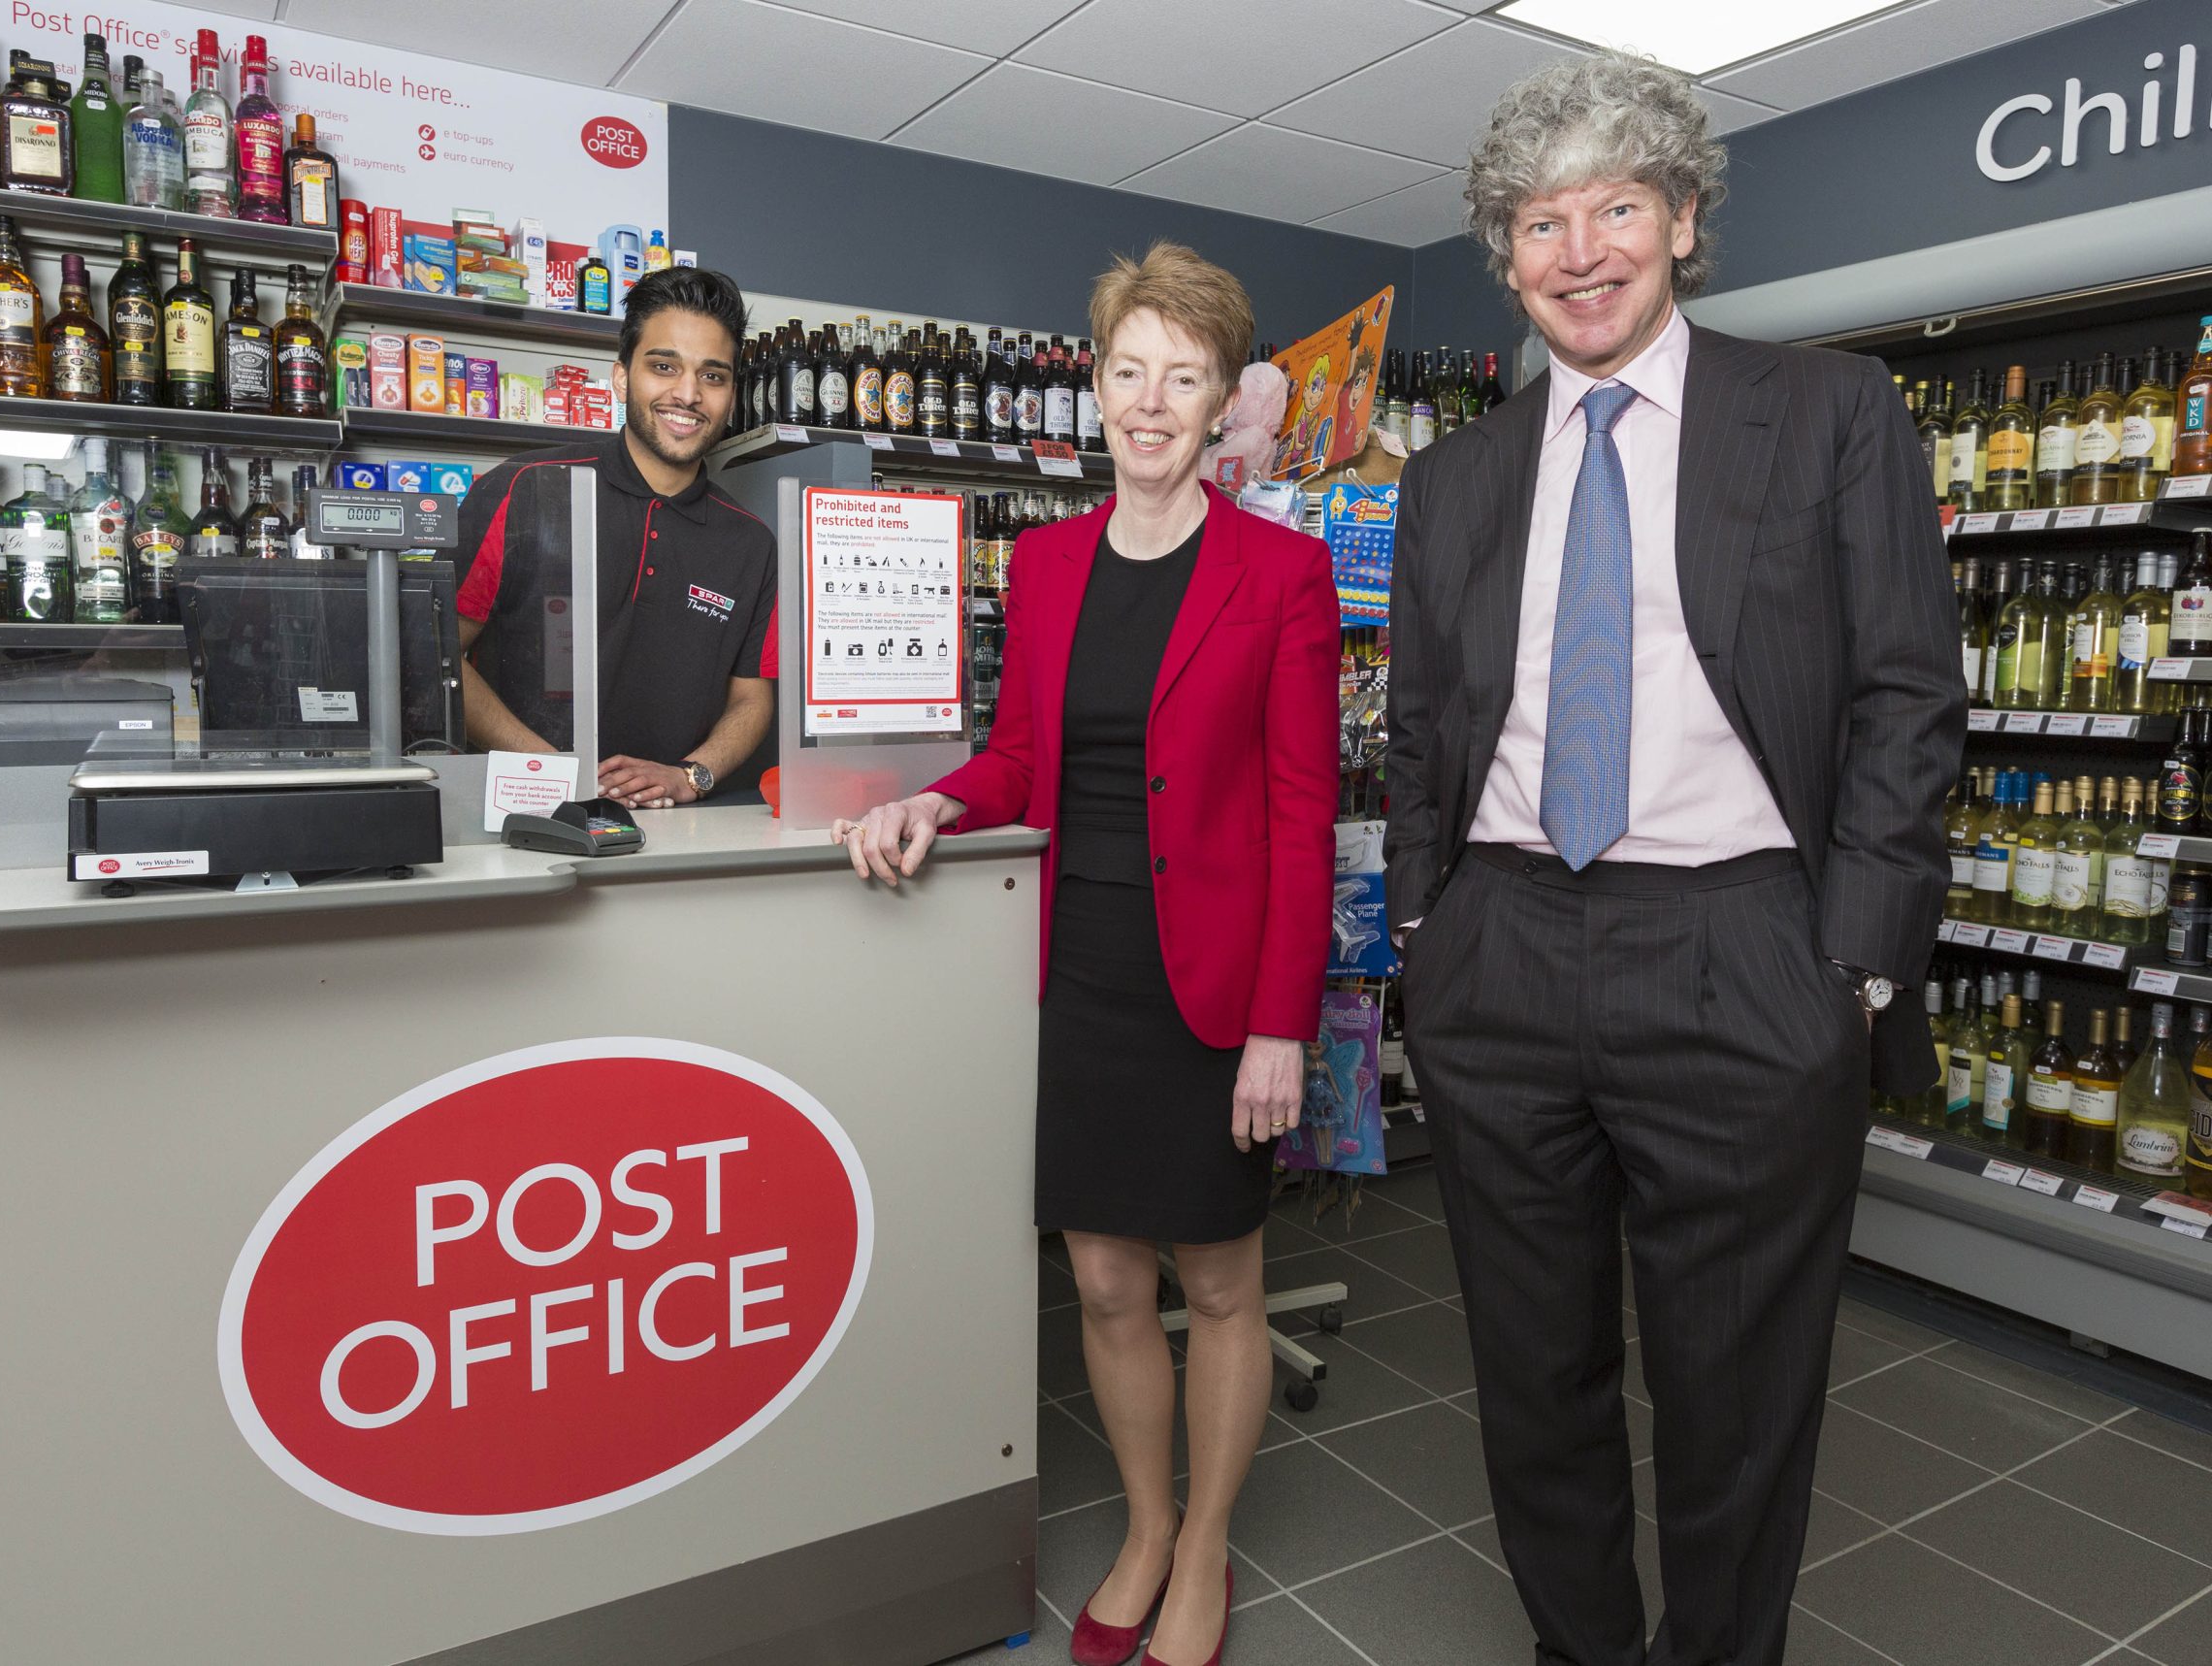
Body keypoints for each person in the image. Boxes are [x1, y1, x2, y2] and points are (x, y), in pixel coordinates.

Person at [1383, 51, 1963, 1666]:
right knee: (1533, 1372)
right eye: (1541, 221)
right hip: (1500, 952)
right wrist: (1430, 926)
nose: (1579, 251)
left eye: (1616, 207)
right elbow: (1422, 726)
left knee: (1736, 1390)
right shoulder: (1455, 478)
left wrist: (1851, 959)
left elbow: (1910, 698)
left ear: (1685, 220)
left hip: (1744, 951)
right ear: (1507, 254)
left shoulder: (1834, 414)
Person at [835, 244, 1338, 1666]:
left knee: (1221, 1281)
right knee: (1109, 1280)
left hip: (1218, 985)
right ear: (1096, 389)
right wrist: (939, 794)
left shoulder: (1282, 573)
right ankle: (1144, 1520)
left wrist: (1281, 1021)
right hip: (1080, 977)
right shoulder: (1049, 566)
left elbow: (1308, 809)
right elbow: (1018, 758)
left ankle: (1210, 1547)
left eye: (1184, 377)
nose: (1151, 402)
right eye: (1130, 372)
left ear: (1224, 400)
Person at [450, 264, 778, 807]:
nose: (688, 394)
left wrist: (691, 776)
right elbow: (439, 656)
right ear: (623, 376)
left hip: (674, 827)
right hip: (520, 812)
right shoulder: (522, 488)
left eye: (713, 376)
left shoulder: (750, 541)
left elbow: (752, 700)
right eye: (664, 366)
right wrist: (551, 773)